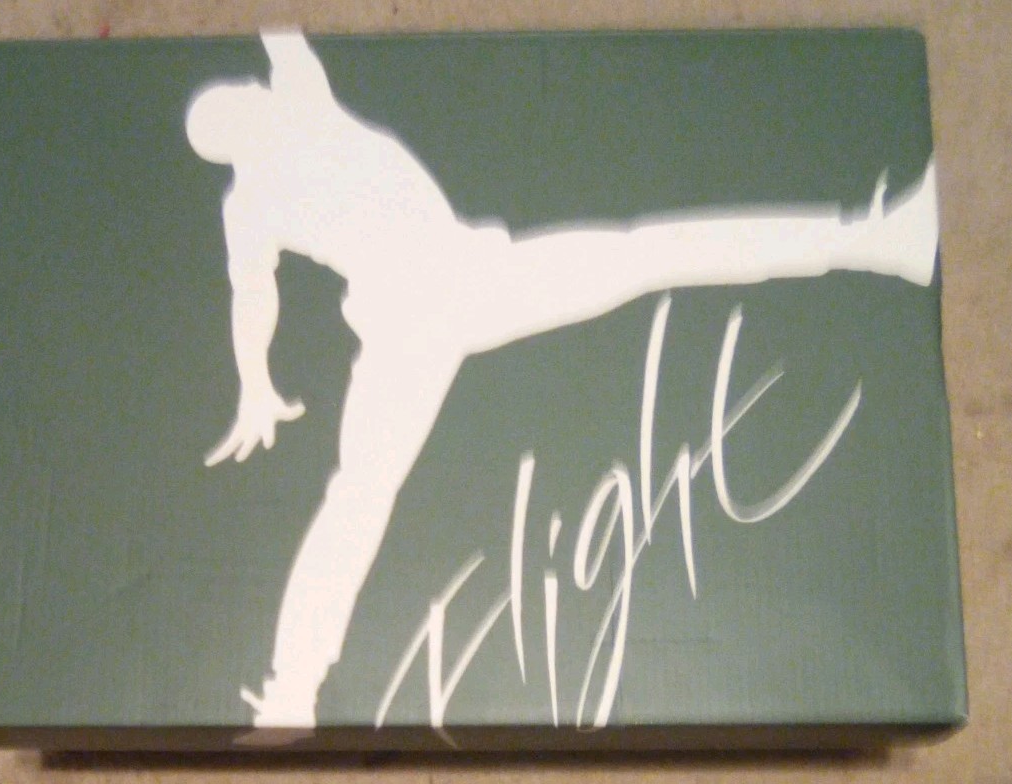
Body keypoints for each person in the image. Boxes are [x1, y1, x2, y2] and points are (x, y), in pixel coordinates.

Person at [186, 31, 938, 728]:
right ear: (244, 137)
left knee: (646, 256)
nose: (258, 92)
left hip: (469, 283)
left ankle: (876, 240)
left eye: (252, 91)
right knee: (359, 495)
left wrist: (255, 384)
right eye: (246, 103)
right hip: (421, 318)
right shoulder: (283, 152)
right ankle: (292, 689)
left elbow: (279, 51)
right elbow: (254, 298)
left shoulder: (290, 128)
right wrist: (252, 382)